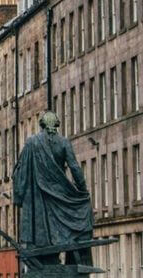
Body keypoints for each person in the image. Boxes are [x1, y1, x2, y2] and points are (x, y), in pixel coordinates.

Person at [12, 111, 93, 265]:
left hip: (40, 197)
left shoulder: (31, 143)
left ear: (42, 125)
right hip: (60, 194)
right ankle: (76, 257)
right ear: (57, 125)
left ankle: (51, 257)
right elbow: (75, 168)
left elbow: (20, 171)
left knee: (43, 233)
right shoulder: (63, 143)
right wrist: (83, 191)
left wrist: (20, 192)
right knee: (83, 210)